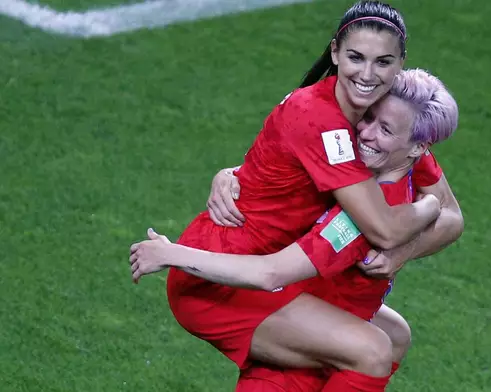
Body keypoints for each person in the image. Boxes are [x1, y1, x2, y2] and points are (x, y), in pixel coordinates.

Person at [130, 68, 462, 391]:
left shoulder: (362, 217)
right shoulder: (377, 157)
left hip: (295, 304)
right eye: (369, 117)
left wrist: (170, 253)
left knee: (378, 347)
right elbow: (291, 162)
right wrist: (235, 173)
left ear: (419, 148)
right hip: (305, 310)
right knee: (389, 339)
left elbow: (270, 273)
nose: (365, 132)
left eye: (386, 130)